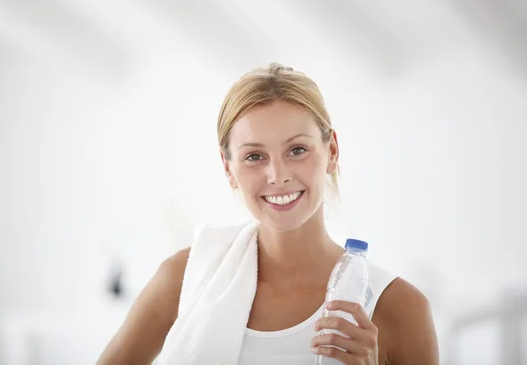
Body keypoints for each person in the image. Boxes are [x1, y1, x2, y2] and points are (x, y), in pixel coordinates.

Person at [97, 63, 439, 364]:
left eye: (297, 150)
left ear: (332, 151)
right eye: (254, 156)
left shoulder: (399, 308)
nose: (278, 175)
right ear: (228, 168)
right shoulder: (184, 279)